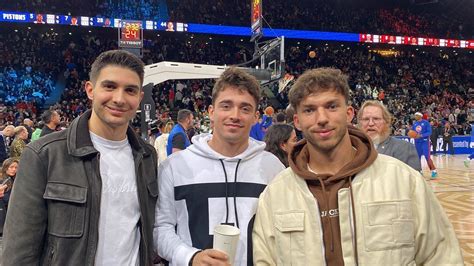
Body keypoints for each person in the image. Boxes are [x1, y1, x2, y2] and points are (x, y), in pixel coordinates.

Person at [252, 68, 463, 265]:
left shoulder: (404, 180)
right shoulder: (276, 193)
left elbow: (442, 255)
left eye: (332, 106)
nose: (322, 118)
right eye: (309, 110)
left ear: (349, 113)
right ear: (297, 121)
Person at [3, 50, 158, 265]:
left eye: (130, 90)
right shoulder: (44, 154)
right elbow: (18, 252)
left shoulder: (147, 156)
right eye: (110, 86)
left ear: (140, 98)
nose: (119, 99)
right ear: (90, 90)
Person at [155, 67, 285, 266]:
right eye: (226, 106)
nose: (235, 115)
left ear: (255, 117)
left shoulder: (272, 167)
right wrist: (190, 256)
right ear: (211, 112)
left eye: (245, 108)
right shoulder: (175, 167)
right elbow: (161, 228)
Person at [358, 100, 421, 171]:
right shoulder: (353, 149)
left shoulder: (405, 148)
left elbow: (413, 181)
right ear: (360, 123)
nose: (371, 123)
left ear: (387, 122)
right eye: (366, 119)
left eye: (376, 119)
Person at [412, 112, 438, 178]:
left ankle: (433, 171)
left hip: (425, 142)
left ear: (420, 116)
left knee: (427, 156)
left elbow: (429, 132)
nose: (415, 116)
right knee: (418, 157)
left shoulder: (426, 123)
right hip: (417, 142)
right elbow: (412, 132)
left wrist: (422, 135)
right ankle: (419, 171)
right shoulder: (415, 124)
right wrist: (411, 134)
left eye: (416, 115)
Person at [0, 158, 19, 234]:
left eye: (16, 168)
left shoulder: (15, 180)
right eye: (11, 167)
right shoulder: (3, 181)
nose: (14, 170)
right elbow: (6, 199)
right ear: (6, 167)